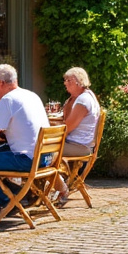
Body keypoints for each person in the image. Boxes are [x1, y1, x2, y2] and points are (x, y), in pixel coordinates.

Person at [0, 64, 49, 218]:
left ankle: (8, 201)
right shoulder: (31, 95)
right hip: (46, 157)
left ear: (0, 83)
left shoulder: (8, 100)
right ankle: (18, 194)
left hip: (28, 160)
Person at [51, 67, 100, 208]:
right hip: (80, 143)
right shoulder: (86, 96)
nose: (65, 83)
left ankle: (59, 187)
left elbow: (67, 128)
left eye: (69, 80)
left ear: (79, 81)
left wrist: (48, 135)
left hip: (79, 146)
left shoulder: (83, 101)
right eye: (64, 80)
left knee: (41, 152)